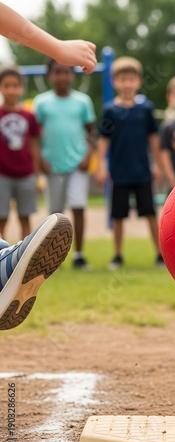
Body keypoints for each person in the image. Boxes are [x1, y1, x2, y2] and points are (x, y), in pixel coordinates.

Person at [0, 1, 96, 329]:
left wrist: (56, 48)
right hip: (47, 167)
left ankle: (3, 264)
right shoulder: (39, 104)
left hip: (73, 166)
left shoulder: (81, 103)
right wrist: (56, 47)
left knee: (72, 210)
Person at [96, 57, 167, 270]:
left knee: (150, 214)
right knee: (118, 216)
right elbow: (103, 141)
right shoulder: (109, 111)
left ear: (138, 81)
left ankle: (160, 255)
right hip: (119, 172)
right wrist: (101, 165)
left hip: (143, 171)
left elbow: (153, 140)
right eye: (122, 79)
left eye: (131, 79)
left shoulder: (145, 109)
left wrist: (157, 165)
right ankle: (117, 255)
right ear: (114, 82)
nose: (127, 83)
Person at [34, 59, 96, 270]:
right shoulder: (41, 102)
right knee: (55, 215)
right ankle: (53, 259)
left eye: (66, 72)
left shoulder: (82, 101)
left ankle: (79, 254)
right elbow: (35, 135)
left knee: (78, 207)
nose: (62, 77)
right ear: (50, 75)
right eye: (57, 72)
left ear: (73, 75)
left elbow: (91, 132)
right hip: (52, 166)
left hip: (77, 164)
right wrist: (40, 159)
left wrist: (88, 155)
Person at [0, 66, 41, 239]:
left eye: (15, 85)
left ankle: (24, 257)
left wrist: (37, 175)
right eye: (7, 85)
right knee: (2, 217)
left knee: (25, 217)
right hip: (2, 174)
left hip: (26, 174)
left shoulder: (29, 116)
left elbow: (34, 145)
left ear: (21, 88)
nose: (11, 90)